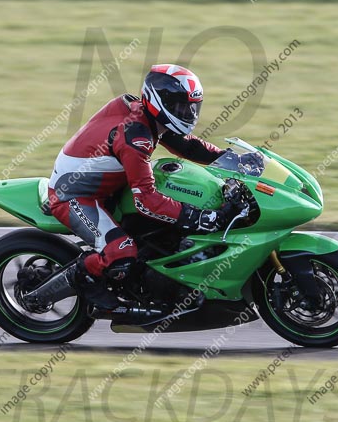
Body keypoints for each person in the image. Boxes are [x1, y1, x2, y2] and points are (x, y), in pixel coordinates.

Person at [47, 64, 234, 309]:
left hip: (110, 187)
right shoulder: (136, 137)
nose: (188, 113)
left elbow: (188, 146)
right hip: (74, 195)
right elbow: (146, 200)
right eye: (181, 106)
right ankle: (83, 276)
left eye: (191, 107)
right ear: (160, 101)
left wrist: (231, 158)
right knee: (121, 252)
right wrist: (201, 217)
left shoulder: (148, 117)